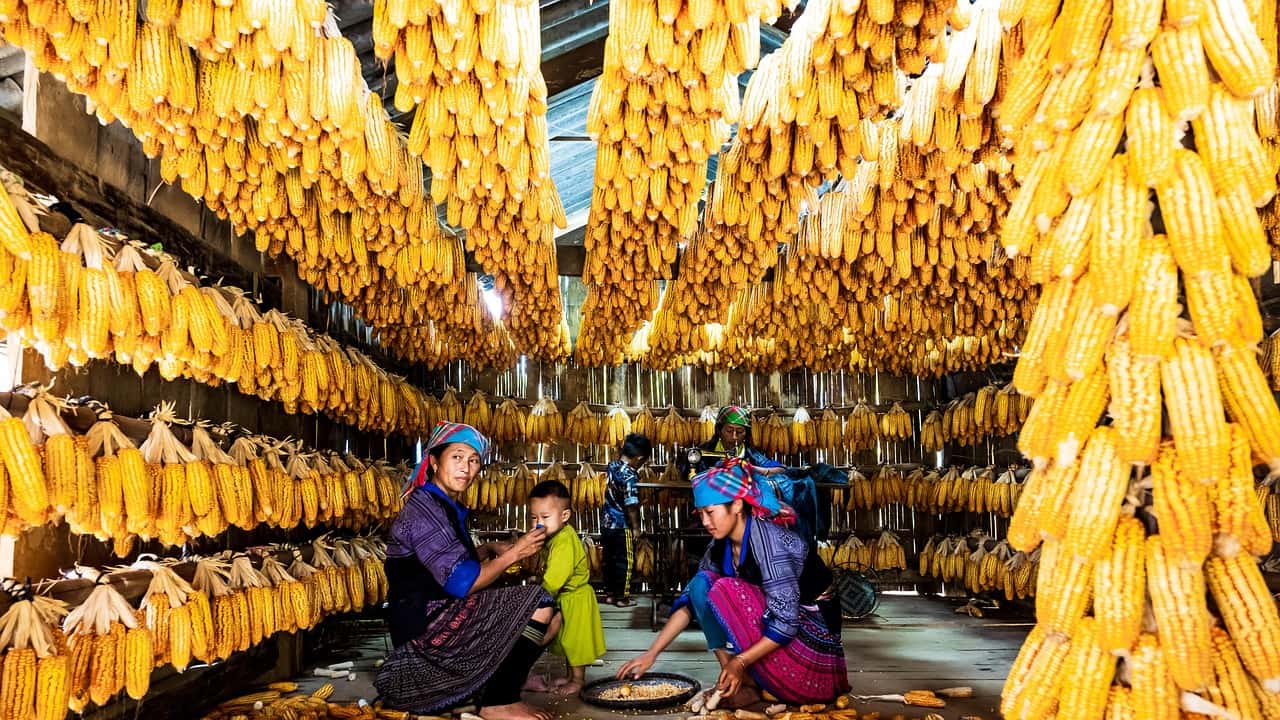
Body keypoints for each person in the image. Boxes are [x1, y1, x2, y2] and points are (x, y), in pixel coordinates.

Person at [617, 459, 849, 707]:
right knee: (701, 584)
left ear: (737, 505)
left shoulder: (771, 543)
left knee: (727, 590)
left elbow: (786, 622)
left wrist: (741, 661)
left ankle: (745, 677)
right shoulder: (721, 544)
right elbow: (690, 601)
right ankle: (734, 680)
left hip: (813, 636)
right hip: (783, 626)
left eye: (711, 512)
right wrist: (652, 653)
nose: (705, 522)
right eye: (701, 514)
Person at [375, 422, 558, 720]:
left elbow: (440, 564)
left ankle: (498, 686)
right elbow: (464, 583)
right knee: (539, 602)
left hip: (439, 613)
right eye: (457, 457)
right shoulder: (424, 512)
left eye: (474, 461)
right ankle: (498, 701)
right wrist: (515, 552)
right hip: (424, 630)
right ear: (434, 462)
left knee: (553, 617)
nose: (466, 468)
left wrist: (485, 551)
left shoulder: (441, 504)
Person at [523, 480, 605, 696]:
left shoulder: (564, 542)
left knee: (575, 641)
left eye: (545, 517)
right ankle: (570, 676)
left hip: (575, 599)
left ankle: (577, 680)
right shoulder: (555, 537)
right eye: (534, 518)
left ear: (565, 516)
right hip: (567, 597)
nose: (539, 523)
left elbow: (555, 579)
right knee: (568, 641)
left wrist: (538, 596)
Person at [601, 433, 652, 607]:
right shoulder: (630, 476)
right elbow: (630, 505)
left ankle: (609, 594)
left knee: (608, 560)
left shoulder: (612, 466)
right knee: (625, 561)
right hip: (622, 526)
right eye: (642, 462)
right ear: (639, 458)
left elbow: (616, 494)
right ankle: (622, 598)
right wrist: (636, 528)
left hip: (607, 524)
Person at [683, 405, 786, 478]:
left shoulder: (751, 454)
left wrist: (752, 469)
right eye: (729, 431)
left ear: (746, 434)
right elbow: (685, 471)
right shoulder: (704, 451)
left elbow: (781, 469)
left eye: (740, 431)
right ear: (719, 431)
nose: (734, 436)